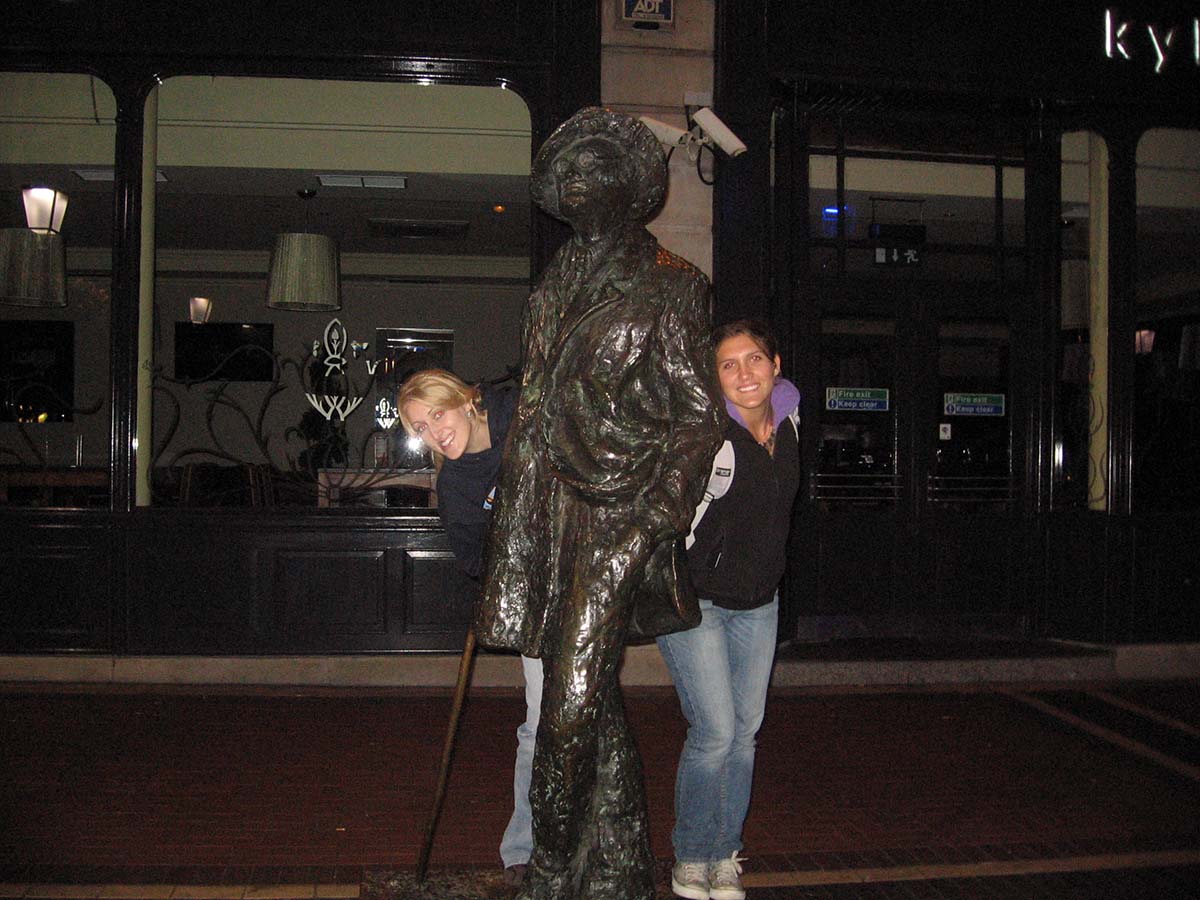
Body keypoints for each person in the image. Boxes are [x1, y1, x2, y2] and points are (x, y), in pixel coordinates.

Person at [476, 107, 725, 900]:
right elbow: (537, 402)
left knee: (574, 691)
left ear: (629, 185)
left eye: (593, 166)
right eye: (567, 171)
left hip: (624, 511)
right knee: (587, 684)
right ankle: (617, 867)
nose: (577, 180)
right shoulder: (550, 286)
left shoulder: (674, 284)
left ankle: (549, 865)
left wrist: (657, 518)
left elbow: (699, 416)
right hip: (546, 511)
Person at [656, 319, 801, 900]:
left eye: (754, 360)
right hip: (698, 603)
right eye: (728, 364)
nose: (744, 373)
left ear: (775, 364)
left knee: (746, 736)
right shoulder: (704, 435)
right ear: (712, 377)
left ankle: (723, 854)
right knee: (715, 733)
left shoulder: (790, 422)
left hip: (759, 604)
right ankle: (691, 855)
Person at [396, 368, 539, 887]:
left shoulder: (522, 412)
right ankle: (522, 852)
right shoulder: (455, 485)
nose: (434, 432)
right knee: (541, 723)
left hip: (584, 581)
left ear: (465, 400)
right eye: (420, 427)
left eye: (438, 414)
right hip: (538, 603)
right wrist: (507, 538)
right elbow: (475, 561)